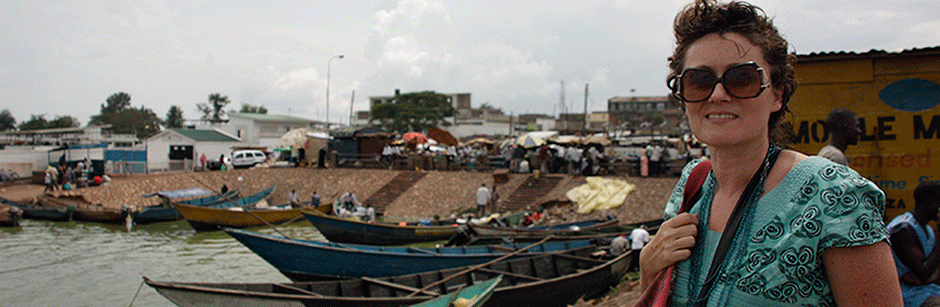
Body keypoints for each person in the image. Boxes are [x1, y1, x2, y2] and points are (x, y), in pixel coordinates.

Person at [639, 1, 901, 306]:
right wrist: (648, 267)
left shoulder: (834, 196)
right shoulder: (692, 186)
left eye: (741, 78)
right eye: (700, 81)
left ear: (777, 95)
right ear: (683, 98)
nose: (718, 94)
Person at [887, 181, 940, 307]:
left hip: (925, 289)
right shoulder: (903, 229)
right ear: (928, 201)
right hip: (906, 293)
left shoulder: (928, 230)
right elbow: (923, 274)